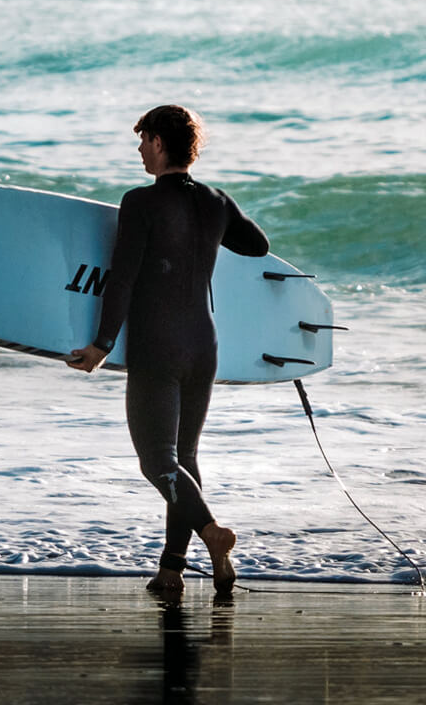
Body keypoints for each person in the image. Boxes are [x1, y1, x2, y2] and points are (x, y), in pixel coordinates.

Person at [67, 105, 269, 597]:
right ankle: (172, 570)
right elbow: (258, 245)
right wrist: (210, 229)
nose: (139, 150)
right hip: (205, 345)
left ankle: (212, 532)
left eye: (143, 141)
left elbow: (123, 280)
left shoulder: (141, 203)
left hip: (159, 345)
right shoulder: (218, 201)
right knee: (184, 458)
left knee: (156, 461)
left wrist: (102, 344)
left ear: (159, 142)